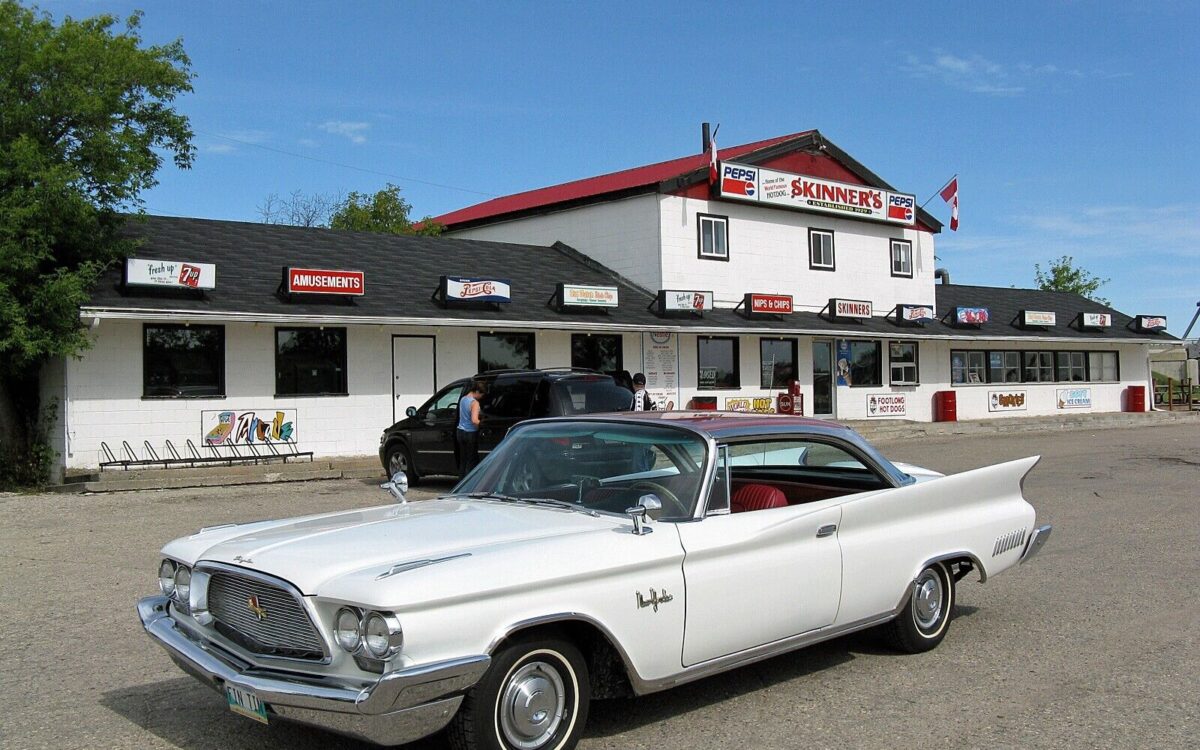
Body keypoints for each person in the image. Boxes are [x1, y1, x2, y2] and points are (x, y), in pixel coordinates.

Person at [456, 380, 485, 476]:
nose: (481, 397)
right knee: (471, 460)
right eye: (481, 395)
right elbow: (474, 420)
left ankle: (461, 481)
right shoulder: (474, 403)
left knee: (463, 459)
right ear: (477, 392)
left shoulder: (463, 399)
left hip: (460, 431)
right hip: (471, 433)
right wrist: (482, 424)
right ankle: (469, 483)